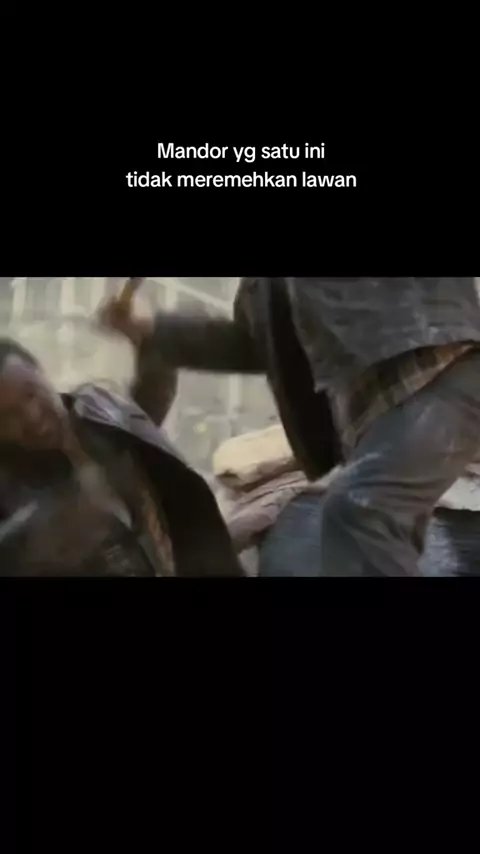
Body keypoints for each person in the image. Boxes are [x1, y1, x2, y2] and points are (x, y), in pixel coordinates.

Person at [99, 277, 480, 577]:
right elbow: (254, 344)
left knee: (362, 510)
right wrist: (153, 330)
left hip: (444, 371)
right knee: (359, 526)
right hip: (387, 417)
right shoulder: (263, 286)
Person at [0, 310, 243, 577]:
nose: (31, 416)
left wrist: (148, 340)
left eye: (31, 394)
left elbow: (147, 409)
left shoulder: (96, 406)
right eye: (8, 416)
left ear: (42, 373)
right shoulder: (12, 491)